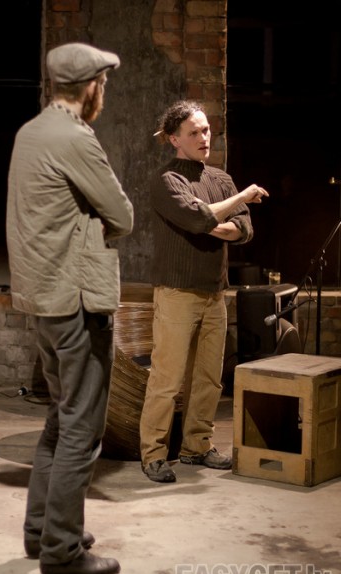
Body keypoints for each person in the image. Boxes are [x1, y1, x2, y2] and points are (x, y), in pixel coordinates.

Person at [6, 43, 133, 574]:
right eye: (103, 83)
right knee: (82, 427)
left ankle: (42, 531)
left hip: (44, 299)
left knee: (61, 418)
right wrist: (95, 220)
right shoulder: (76, 137)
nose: (104, 91)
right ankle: (61, 551)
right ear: (91, 87)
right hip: (76, 299)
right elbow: (122, 215)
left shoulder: (30, 132)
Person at [139, 100, 269, 483]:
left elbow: (244, 230)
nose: (203, 137)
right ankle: (153, 454)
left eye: (206, 130)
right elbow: (199, 218)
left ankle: (197, 446)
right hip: (177, 293)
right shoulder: (167, 180)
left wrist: (213, 220)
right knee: (167, 379)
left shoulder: (220, 179)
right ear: (174, 139)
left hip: (215, 293)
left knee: (209, 377)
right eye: (193, 132)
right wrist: (238, 200)